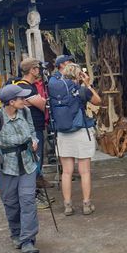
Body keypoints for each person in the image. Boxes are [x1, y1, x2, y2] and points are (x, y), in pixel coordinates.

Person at [0, 84, 40, 253]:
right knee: (12, 203)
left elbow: (32, 131)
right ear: (11, 102)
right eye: (21, 98)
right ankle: (16, 233)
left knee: (28, 200)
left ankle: (27, 240)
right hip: (6, 166)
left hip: (27, 163)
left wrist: (34, 140)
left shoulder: (25, 112)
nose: (25, 100)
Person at [49, 62, 101, 216]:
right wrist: (87, 83)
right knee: (84, 172)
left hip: (63, 135)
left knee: (66, 172)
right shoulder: (81, 90)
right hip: (81, 133)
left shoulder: (55, 92)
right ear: (78, 75)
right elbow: (98, 101)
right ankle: (86, 204)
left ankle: (68, 205)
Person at [15, 58, 54, 204]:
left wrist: (29, 101)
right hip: (32, 128)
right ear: (32, 70)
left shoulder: (22, 86)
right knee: (34, 159)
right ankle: (33, 194)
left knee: (35, 159)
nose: (39, 71)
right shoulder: (26, 87)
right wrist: (37, 100)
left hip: (34, 126)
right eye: (37, 68)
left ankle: (35, 188)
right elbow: (43, 104)